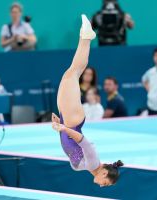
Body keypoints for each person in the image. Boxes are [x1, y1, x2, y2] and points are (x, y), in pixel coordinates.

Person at [51, 14, 123, 187]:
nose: (101, 185)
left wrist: (60, 127)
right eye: (105, 183)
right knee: (73, 74)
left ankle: (85, 38)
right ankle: (86, 38)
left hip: (68, 122)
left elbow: (71, 145)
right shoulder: (93, 163)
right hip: (72, 123)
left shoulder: (88, 166)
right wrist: (63, 128)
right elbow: (85, 142)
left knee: (72, 73)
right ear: (105, 172)